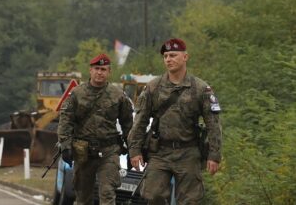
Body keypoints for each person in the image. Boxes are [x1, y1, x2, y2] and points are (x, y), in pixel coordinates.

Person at [128, 38, 222, 205]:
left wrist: (214, 155)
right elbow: (140, 121)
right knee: (153, 195)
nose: (168, 59)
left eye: (173, 55)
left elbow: (213, 124)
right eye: (165, 56)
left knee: (190, 200)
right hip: (159, 152)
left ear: (185, 57)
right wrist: (135, 150)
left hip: (189, 152)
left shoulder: (200, 88)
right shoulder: (153, 87)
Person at [57, 53, 134, 205]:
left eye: (103, 69)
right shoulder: (77, 94)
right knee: (83, 196)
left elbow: (128, 124)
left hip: (109, 151)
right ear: (90, 70)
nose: (100, 72)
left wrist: (133, 149)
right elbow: (65, 121)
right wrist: (65, 146)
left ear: (109, 72)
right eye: (97, 69)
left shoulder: (118, 95)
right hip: (83, 152)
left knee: (107, 193)